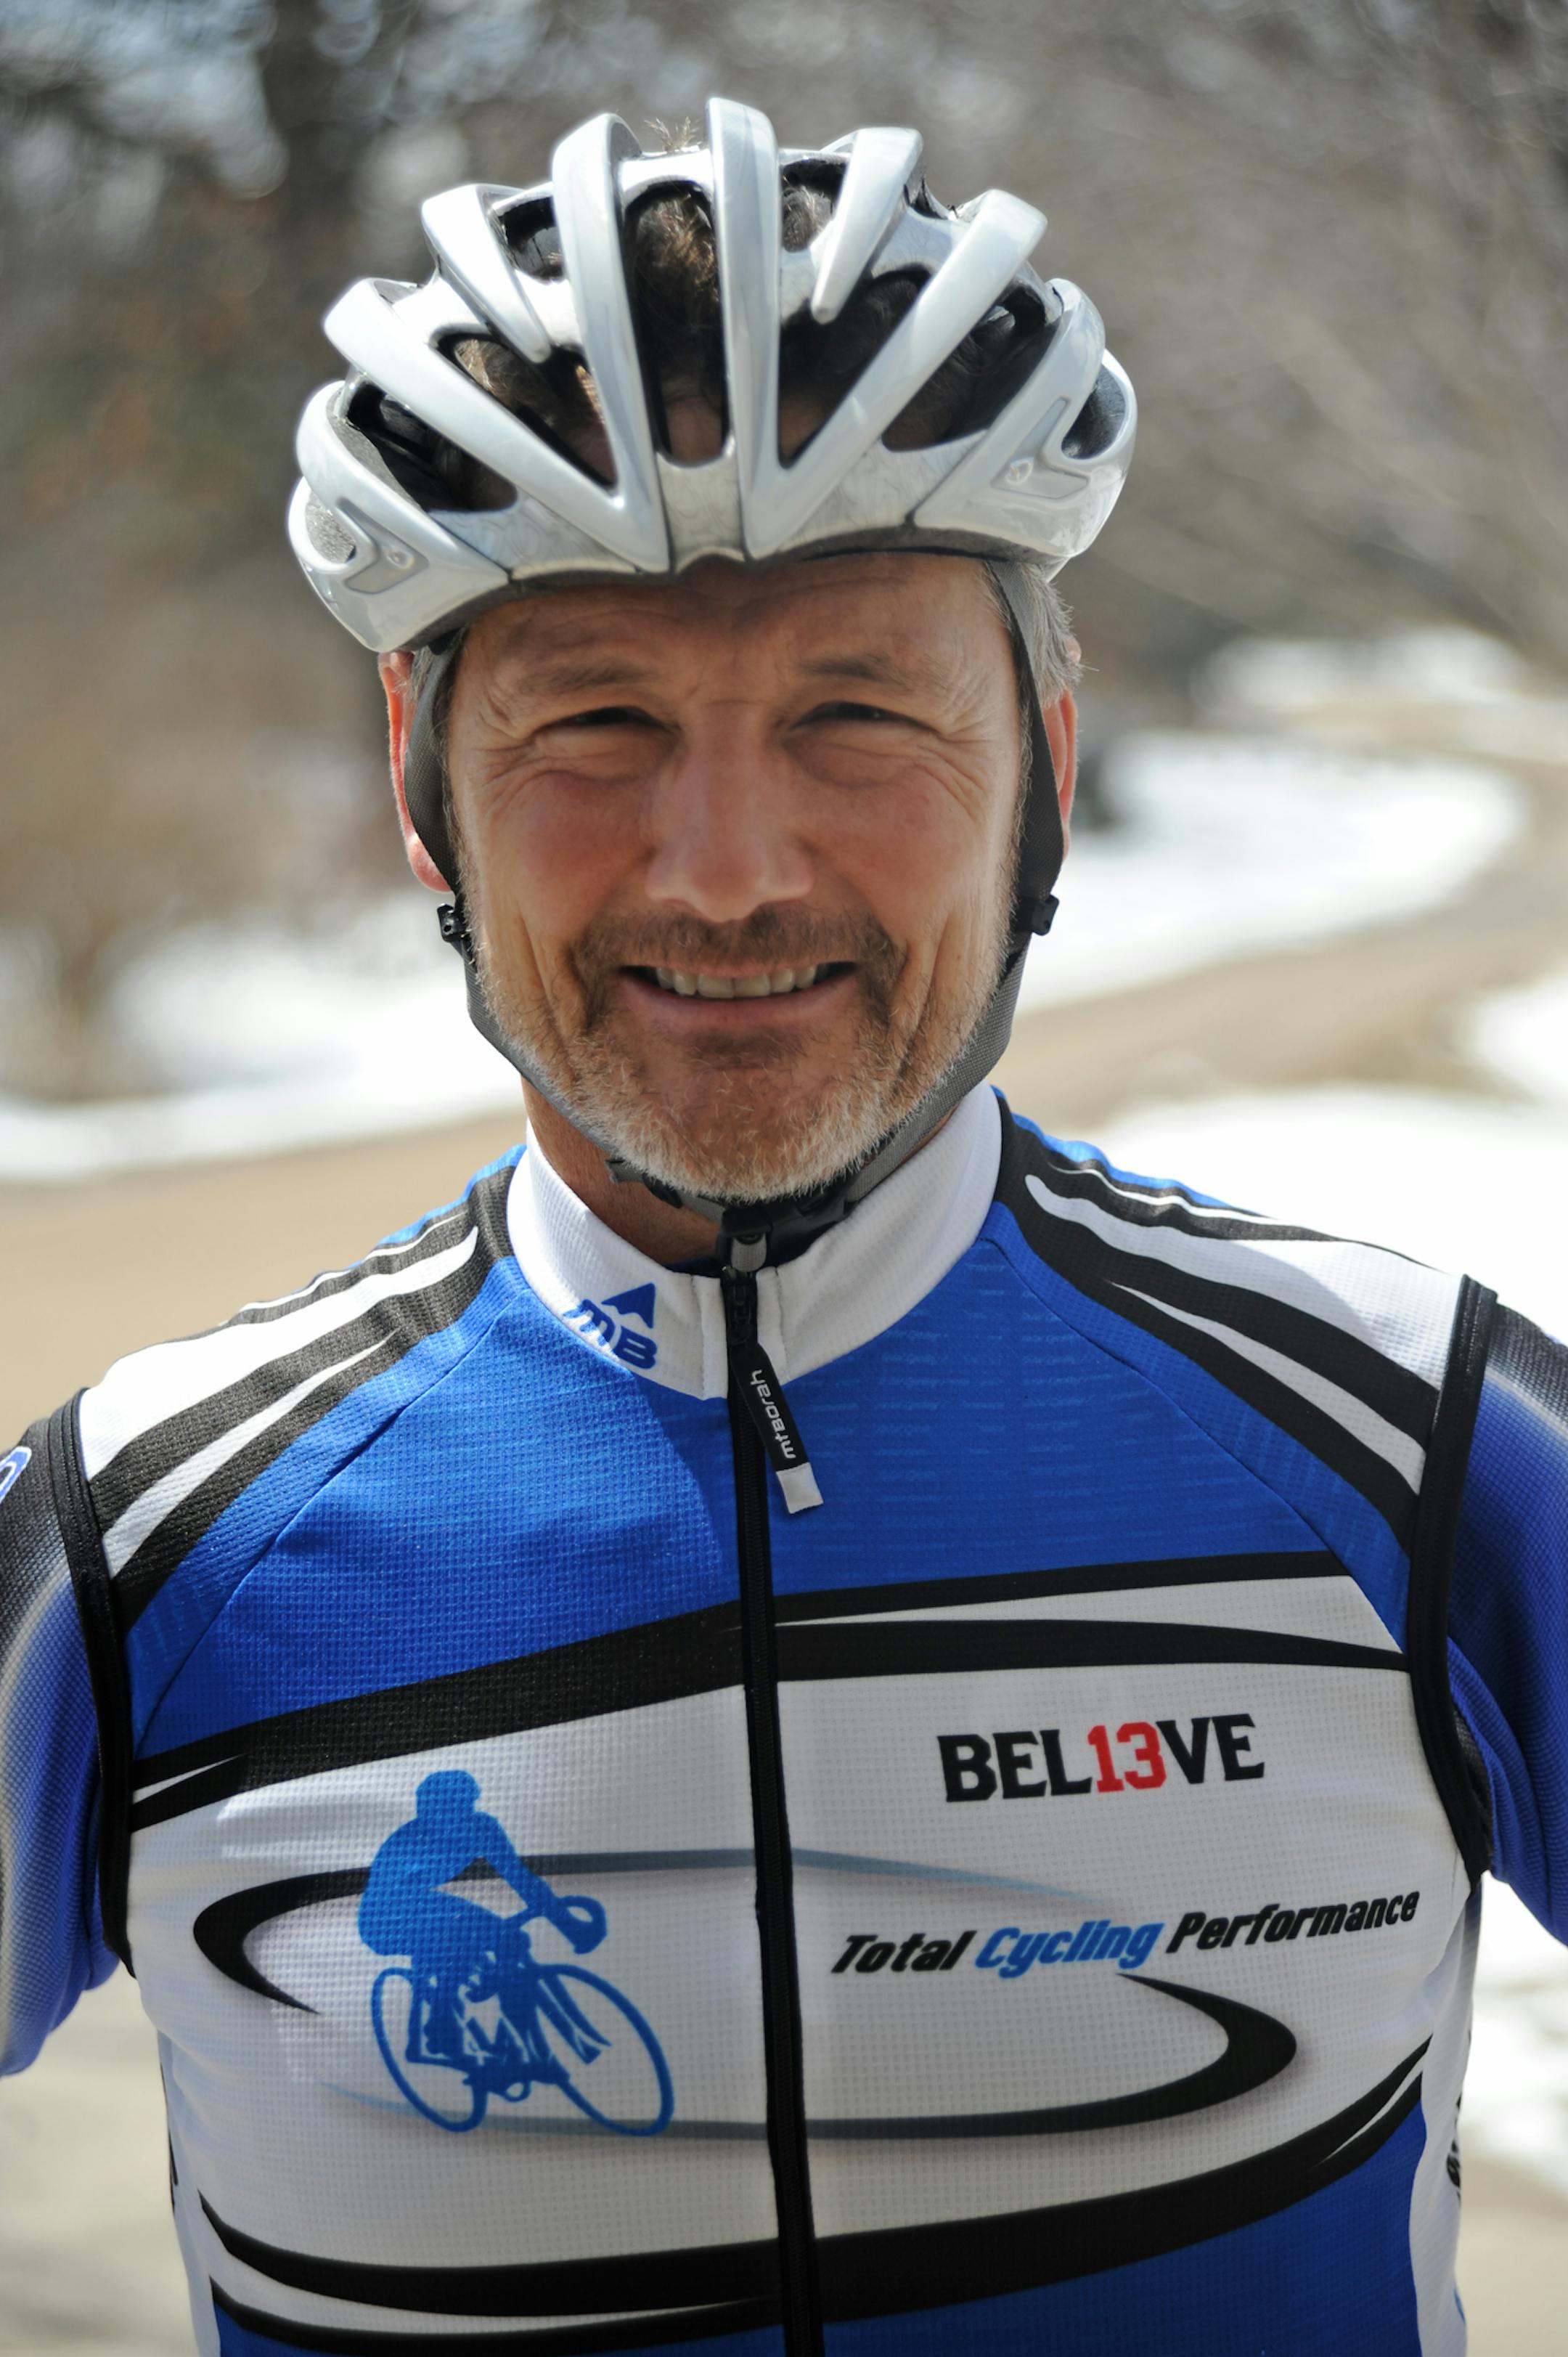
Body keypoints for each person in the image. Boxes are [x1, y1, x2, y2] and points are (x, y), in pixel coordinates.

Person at [0, 96, 1563, 2357]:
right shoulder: (150, 1550)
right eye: (597, 719)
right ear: (418, 780)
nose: (724, 865)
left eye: (857, 712)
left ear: (1040, 741)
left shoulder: (1419, 1460)